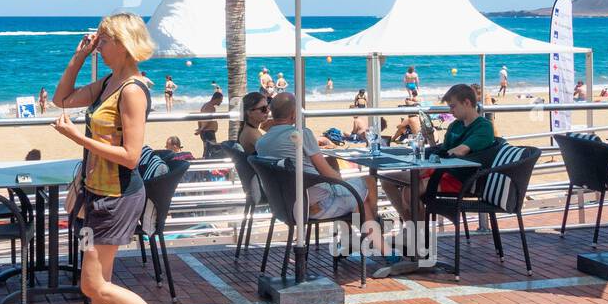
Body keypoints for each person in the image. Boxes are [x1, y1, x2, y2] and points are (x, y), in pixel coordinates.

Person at [51, 13, 189, 304]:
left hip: (117, 197)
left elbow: (130, 156)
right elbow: (61, 99)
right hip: (96, 194)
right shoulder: (109, 83)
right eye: (97, 41)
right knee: (101, 290)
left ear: (124, 45)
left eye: (104, 41)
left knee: (92, 285)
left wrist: (77, 138)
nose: (100, 47)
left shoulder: (132, 90)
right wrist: (79, 57)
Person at [254, 93, 381, 228]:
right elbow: (327, 173)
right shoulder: (301, 134)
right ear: (294, 113)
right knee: (369, 182)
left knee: (359, 201)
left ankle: (360, 234)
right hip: (318, 205)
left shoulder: (261, 143)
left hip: (288, 207)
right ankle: (372, 230)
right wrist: (343, 184)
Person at [379, 84, 500, 221]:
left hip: (461, 178)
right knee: (386, 180)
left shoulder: (483, 127)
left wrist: (430, 163)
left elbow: (460, 151)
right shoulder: (455, 125)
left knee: (409, 192)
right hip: (440, 171)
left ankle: (418, 232)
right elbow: (443, 150)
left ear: (467, 102)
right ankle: (412, 226)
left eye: (453, 106)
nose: (450, 111)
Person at [195, 88, 223, 158]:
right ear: (217, 99)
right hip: (208, 132)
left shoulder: (205, 105)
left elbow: (200, 118)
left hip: (204, 132)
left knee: (206, 149)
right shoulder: (211, 107)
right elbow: (207, 120)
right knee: (211, 150)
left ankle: (204, 161)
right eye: (221, 100)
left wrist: (200, 128)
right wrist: (201, 129)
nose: (221, 102)